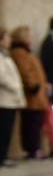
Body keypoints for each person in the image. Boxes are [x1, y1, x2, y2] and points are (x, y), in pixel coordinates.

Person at [8, 26, 50, 159]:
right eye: (29, 36)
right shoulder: (19, 53)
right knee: (31, 123)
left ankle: (35, 148)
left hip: (38, 95)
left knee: (36, 122)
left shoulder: (26, 52)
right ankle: (32, 149)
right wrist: (34, 85)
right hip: (32, 95)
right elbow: (25, 71)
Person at [0, 27, 23, 167]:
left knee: (7, 130)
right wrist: (15, 86)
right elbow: (2, 76)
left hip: (10, 100)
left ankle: (3, 155)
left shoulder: (5, 55)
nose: (9, 41)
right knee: (3, 130)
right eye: (6, 38)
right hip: (4, 99)